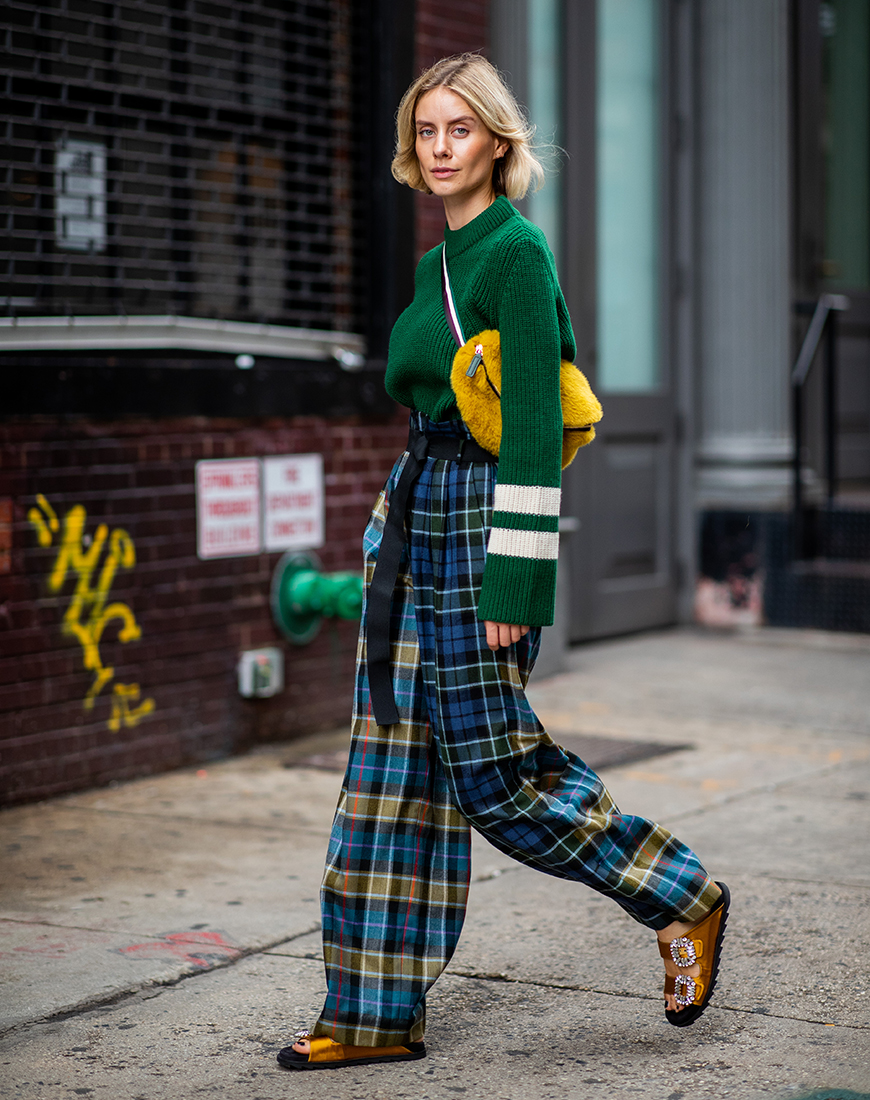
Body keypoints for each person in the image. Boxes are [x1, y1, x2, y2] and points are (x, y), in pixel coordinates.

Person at [277, 53, 729, 1072]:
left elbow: (531, 425)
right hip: (417, 507)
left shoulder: (516, 255)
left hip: (481, 516)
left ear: (497, 142)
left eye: (460, 131)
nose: (442, 150)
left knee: (496, 778)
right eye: (427, 132)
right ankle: (373, 1008)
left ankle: (681, 892)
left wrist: (518, 583)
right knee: (392, 767)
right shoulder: (445, 258)